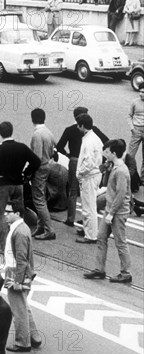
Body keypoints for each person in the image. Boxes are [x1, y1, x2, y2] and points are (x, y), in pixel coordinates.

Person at [84, 139, 132, 283]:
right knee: (101, 237)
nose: (105, 153)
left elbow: (121, 194)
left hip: (117, 212)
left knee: (120, 242)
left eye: (107, 152)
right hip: (110, 209)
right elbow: (105, 183)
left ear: (114, 153)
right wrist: (105, 168)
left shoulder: (122, 171)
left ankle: (126, 272)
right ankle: (99, 269)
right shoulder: (113, 167)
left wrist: (111, 213)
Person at [0, 122, 40, 253]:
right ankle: (19, 244)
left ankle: (3, 246)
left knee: (2, 215)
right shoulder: (22, 147)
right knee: (19, 214)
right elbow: (36, 161)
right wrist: (26, 173)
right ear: (12, 131)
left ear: (0, 133)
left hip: (4, 184)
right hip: (18, 184)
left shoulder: (0, 149)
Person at [56, 106, 108, 227]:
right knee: (88, 193)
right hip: (89, 164)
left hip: (74, 160)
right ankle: (86, 219)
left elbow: (59, 146)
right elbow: (106, 141)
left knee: (73, 191)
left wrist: (68, 155)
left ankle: (70, 218)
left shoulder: (69, 130)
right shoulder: (93, 130)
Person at [2, 202, 41, 353]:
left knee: (18, 309)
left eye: (9, 212)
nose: (6, 214)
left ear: (17, 214)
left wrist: (18, 280)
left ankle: (23, 342)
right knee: (23, 305)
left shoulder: (19, 232)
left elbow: (21, 259)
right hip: (20, 272)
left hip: (16, 272)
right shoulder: (21, 228)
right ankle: (34, 337)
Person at [75, 113, 104, 244]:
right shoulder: (95, 138)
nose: (77, 127)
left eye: (78, 125)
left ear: (82, 126)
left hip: (89, 176)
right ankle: (89, 230)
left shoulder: (88, 141)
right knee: (90, 204)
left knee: (88, 206)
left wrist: (80, 173)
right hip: (95, 174)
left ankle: (90, 235)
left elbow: (88, 162)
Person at [29, 108, 56, 241]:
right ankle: (40, 226)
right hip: (48, 165)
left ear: (32, 119)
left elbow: (37, 157)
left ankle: (49, 229)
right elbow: (53, 150)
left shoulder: (37, 134)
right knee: (42, 196)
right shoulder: (48, 132)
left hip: (39, 168)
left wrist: (28, 171)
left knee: (38, 199)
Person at [128, 84, 144, 182]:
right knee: (130, 155)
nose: (141, 94)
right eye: (140, 91)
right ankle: (132, 177)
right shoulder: (134, 102)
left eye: (143, 92)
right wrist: (132, 128)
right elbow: (129, 116)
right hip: (136, 130)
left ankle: (142, 179)